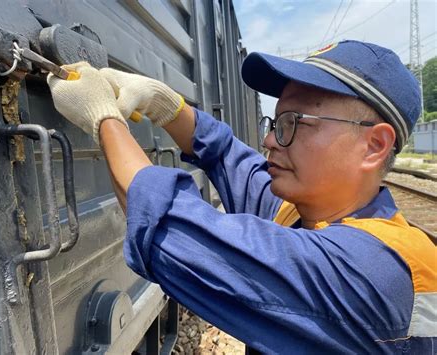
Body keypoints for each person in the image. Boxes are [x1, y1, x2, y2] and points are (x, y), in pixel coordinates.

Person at [47, 40, 436, 353]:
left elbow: (174, 231)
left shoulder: (377, 271)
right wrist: (163, 103)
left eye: (293, 123)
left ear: (374, 145)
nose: (269, 139)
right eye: (275, 121)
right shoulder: (303, 213)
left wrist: (104, 117)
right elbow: (227, 155)